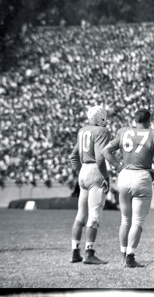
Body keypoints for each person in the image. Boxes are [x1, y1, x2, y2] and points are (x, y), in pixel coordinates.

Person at [102, 108, 154, 268]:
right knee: (137, 221)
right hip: (142, 175)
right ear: (149, 119)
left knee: (125, 220)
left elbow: (106, 151)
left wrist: (119, 167)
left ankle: (123, 253)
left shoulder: (123, 131)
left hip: (125, 175)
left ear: (135, 119)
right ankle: (130, 257)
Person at [69, 105, 111, 264]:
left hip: (83, 171)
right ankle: (89, 253)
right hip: (95, 170)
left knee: (80, 215)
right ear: (101, 117)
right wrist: (105, 176)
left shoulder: (82, 131)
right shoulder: (102, 131)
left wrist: (79, 173)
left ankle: (75, 251)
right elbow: (100, 158)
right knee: (94, 215)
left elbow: (73, 156)